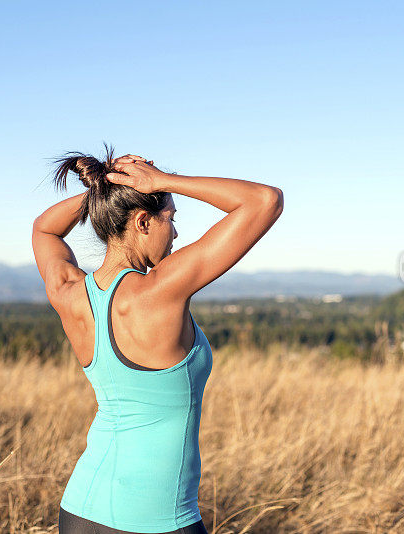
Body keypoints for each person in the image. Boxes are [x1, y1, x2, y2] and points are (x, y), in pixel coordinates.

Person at [31, 144, 284, 534]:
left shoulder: (69, 293)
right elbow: (264, 201)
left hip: (80, 511)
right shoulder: (161, 291)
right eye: (170, 217)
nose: (177, 231)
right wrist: (161, 181)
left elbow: (44, 228)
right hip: (157, 521)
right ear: (143, 224)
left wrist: (108, 188)